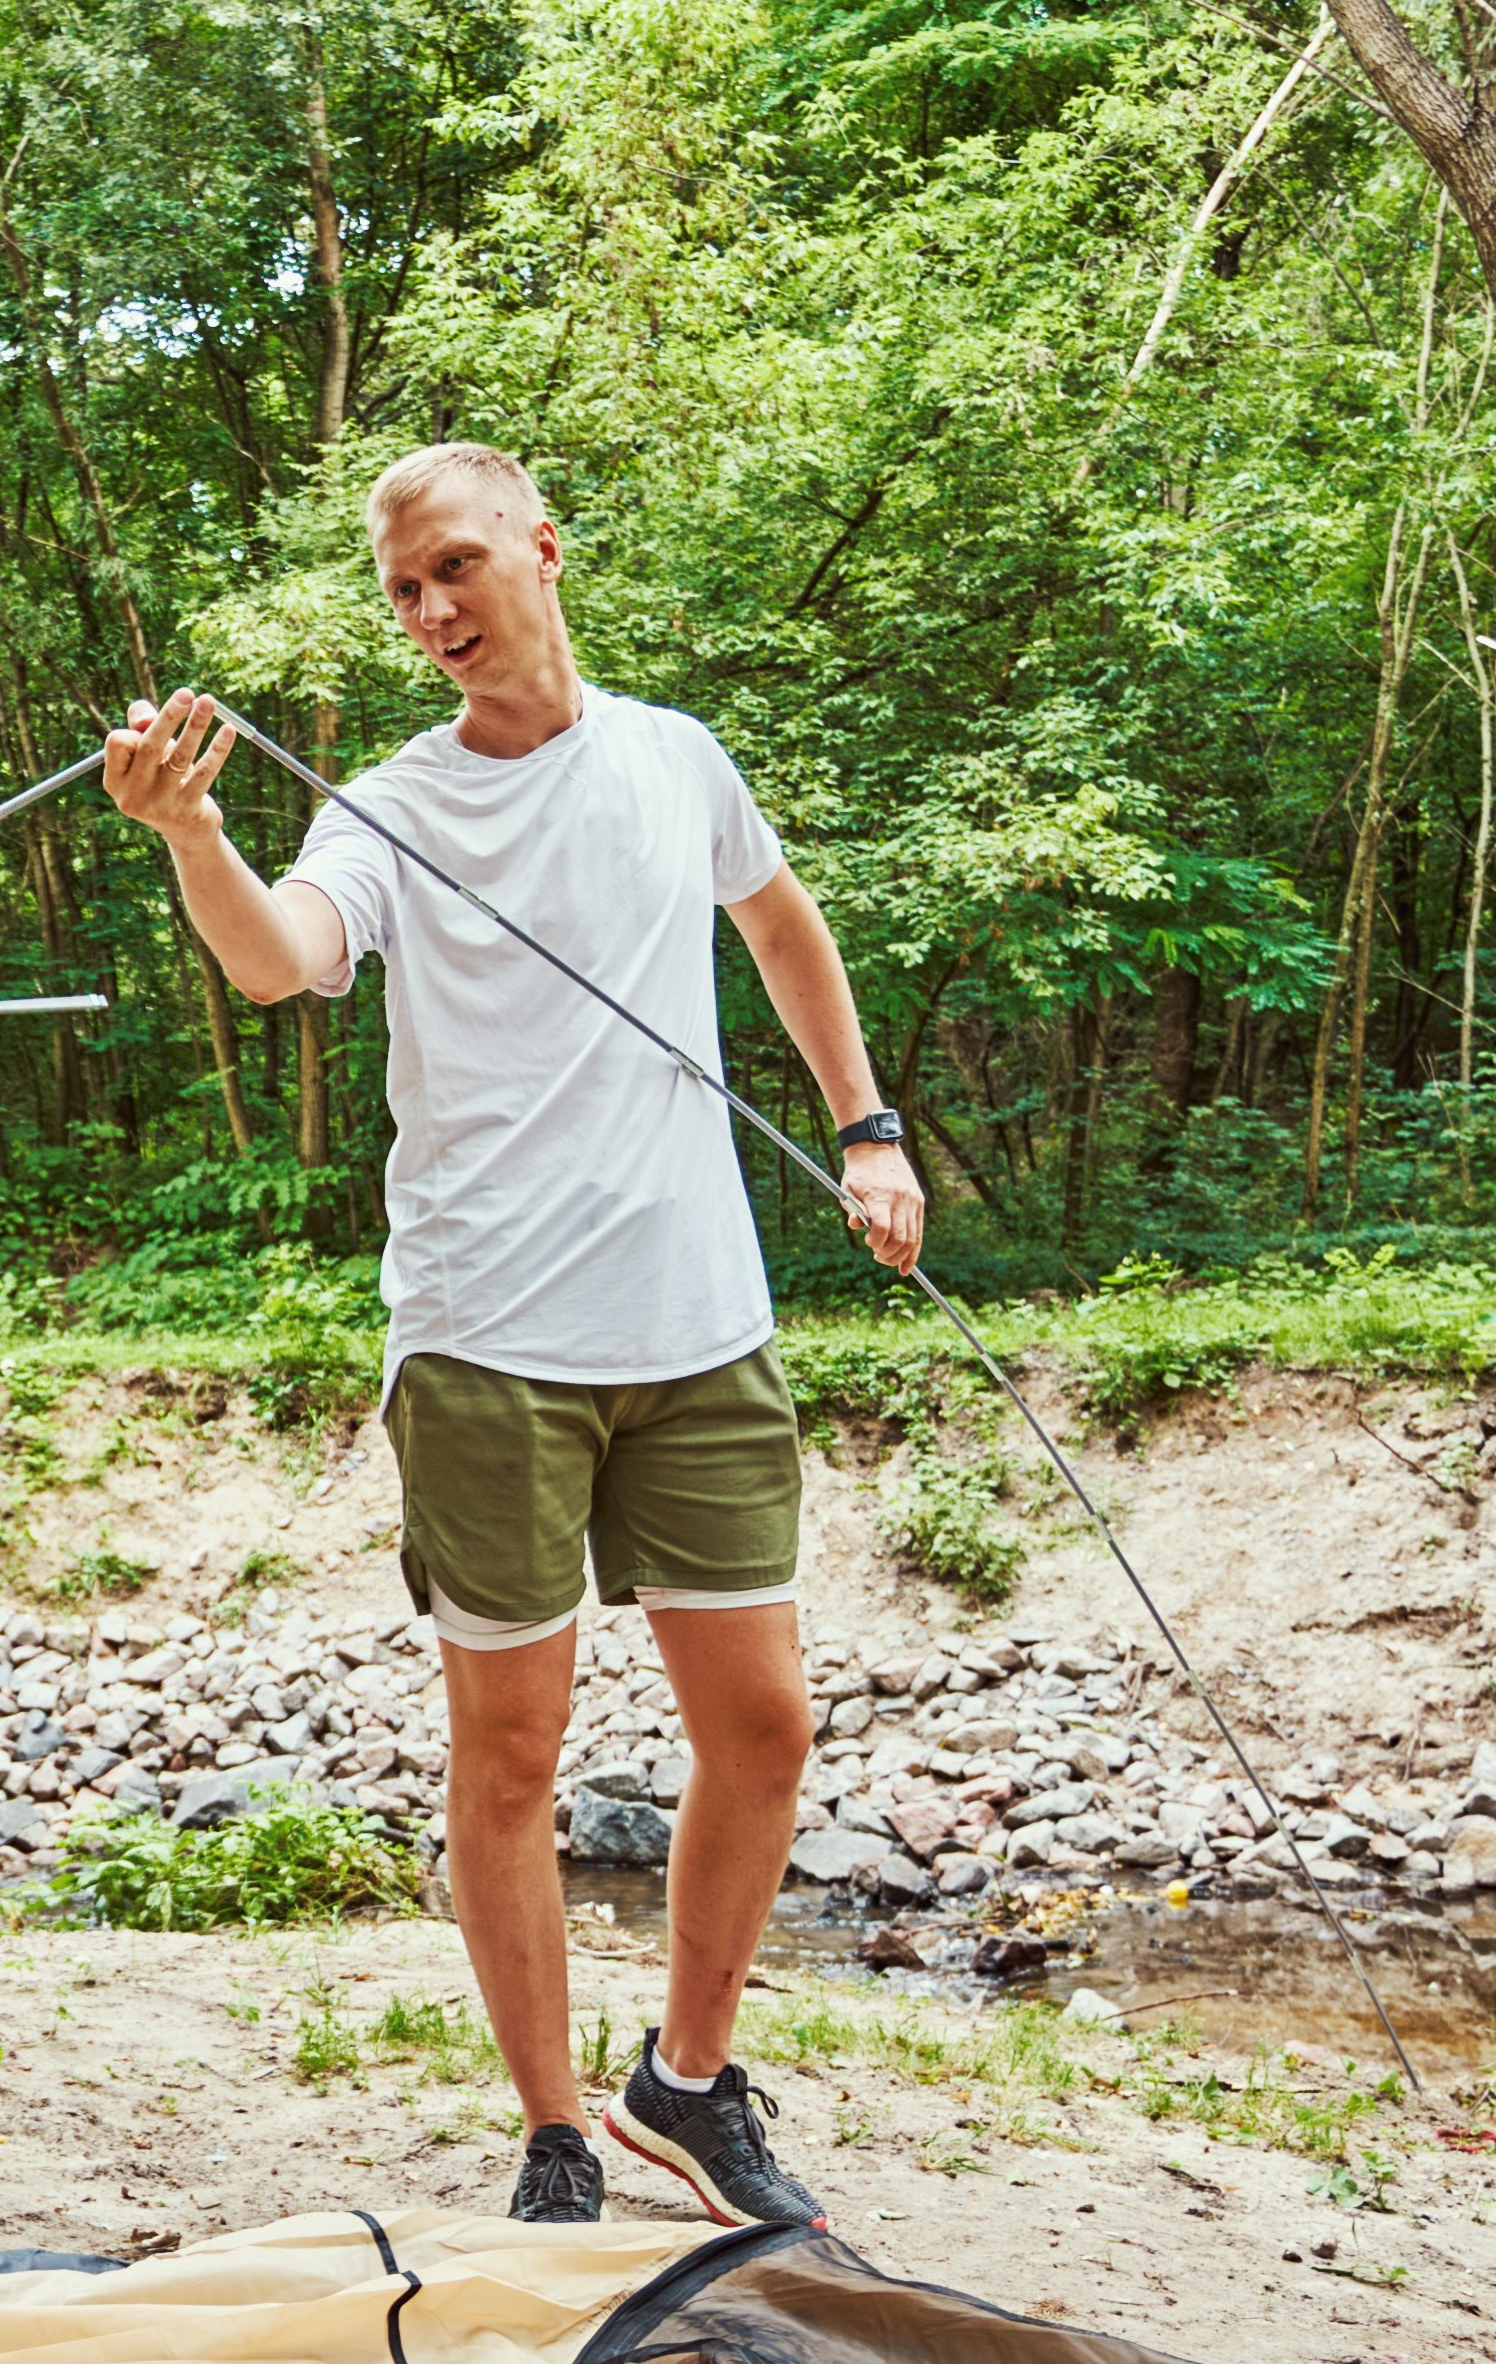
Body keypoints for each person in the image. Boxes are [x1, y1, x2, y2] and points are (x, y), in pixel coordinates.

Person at [101, 440, 923, 2232]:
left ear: (544, 549)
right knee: (514, 1752)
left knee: (765, 1725)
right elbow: (282, 956)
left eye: (456, 567)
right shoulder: (391, 806)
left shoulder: (675, 757)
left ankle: (688, 2083)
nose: (431, 610)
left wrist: (866, 1128)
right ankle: (554, 2127)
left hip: (697, 1320)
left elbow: (783, 925)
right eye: (403, 591)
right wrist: (194, 835)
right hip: (488, 1334)